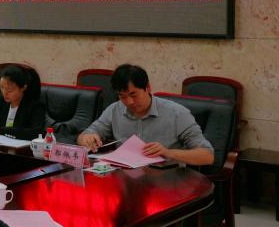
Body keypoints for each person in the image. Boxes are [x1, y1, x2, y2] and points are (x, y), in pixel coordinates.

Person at [77, 64, 214, 166]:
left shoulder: (177, 113)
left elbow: (207, 156)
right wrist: (87, 138)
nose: (129, 102)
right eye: (122, 96)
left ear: (148, 87)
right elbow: (85, 135)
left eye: (133, 95)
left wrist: (168, 153)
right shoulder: (115, 110)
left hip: (166, 180)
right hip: (126, 178)